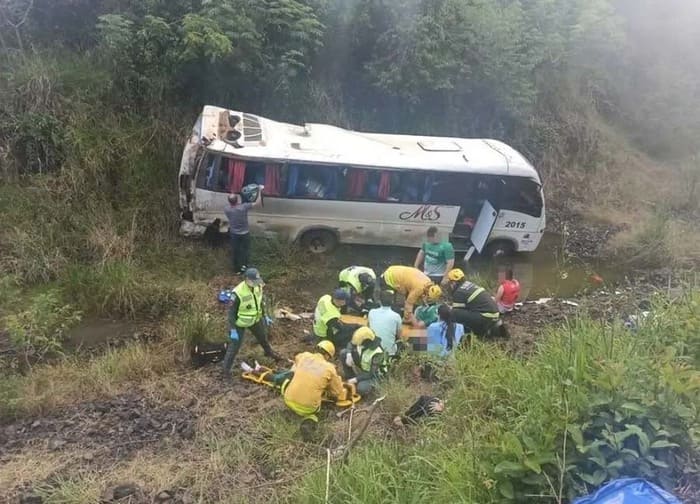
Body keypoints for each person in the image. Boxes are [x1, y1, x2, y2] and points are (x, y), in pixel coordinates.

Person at [278, 340, 347, 439]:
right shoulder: (329, 368)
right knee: (315, 411)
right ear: (328, 356)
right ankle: (309, 422)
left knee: (292, 378)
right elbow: (337, 392)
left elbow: (296, 358)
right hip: (307, 408)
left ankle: (291, 411)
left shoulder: (304, 356)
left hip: (288, 399)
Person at [221, 268, 282, 378]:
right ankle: (225, 370)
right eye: (253, 281)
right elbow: (231, 313)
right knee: (235, 346)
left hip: (255, 320)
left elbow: (259, 302)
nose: (256, 284)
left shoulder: (258, 286)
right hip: (240, 323)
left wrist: (265, 316)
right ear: (247, 280)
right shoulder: (237, 293)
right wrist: (233, 329)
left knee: (263, 337)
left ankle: (269, 352)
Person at [445, 268, 502, 337]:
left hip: (486, 316)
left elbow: (456, 311)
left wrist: (448, 309)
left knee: (454, 313)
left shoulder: (459, 292)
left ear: (453, 282)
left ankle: (465, 332)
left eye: (450, 283)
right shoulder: (469, 284)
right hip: (494, 313)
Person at [224, 186, 262, 274]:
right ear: (237, 200)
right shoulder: (243, 207)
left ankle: (236, 270)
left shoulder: (227, 209)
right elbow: (258, 203)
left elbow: (232, 203)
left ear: (229, 202)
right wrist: (259, 191)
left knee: (236, 251)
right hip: (245, 233)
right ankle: (245, 268)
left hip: (234, 234)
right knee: (245, 251)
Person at [340, 327, 388, 395]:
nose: (358, 345)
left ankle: (359, 382)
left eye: (360, 344)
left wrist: (356, 379)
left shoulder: (378, 353)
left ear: (367, 343)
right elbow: (351, 344)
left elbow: (372, 373)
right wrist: (348, 354)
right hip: (364, 365)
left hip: (374, 375)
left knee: (361, 388)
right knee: (343, 353)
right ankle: (350, 378)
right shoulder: (361, 339)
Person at [368, 290, 403, 358]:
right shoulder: (396, 316)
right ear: (392, 301)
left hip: (373, 351)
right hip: (390, 354)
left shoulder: (371, 312)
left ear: (379, 301)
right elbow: (399, 336)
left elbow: (368, 328)